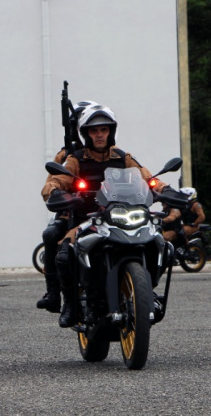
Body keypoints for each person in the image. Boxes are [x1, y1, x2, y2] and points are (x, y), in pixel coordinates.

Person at [41, 104, 155, 327]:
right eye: (94, 131)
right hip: (86, 219)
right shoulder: (74, 159)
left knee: (157, 241)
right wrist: (54, 191)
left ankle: (145, 291)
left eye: (103, 129)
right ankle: (70, 305)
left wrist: (163, 188)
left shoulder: (123, 157)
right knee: (64, 253)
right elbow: (55, 180)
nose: (99, 134)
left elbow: (147, 177)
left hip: (120, 216)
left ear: (111, 132)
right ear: (86, 134)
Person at [36, 100, 99, 313]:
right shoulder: (66, 156)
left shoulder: (114, 153)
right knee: (51, 235)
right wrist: (57, 193)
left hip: (106, 212)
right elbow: (53, 180)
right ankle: (55, 294)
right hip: (71, 214)